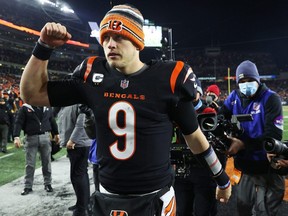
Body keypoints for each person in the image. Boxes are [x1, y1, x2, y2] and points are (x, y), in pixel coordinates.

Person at [19, 4, 231, 215]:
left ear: (138, 42)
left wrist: (221, 179)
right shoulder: (93, 76)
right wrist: (43, 47)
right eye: (106, 38)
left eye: (119, 37)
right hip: (107, 195)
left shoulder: (168, 79)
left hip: (155, 198)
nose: (110, 44)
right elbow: (32, 93)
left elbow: (195, 139)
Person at [219, 60, 285, 216]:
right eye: (242, 81)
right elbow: (221, 117)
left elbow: (273, 137)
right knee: (244, 209)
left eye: (250, 80)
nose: (246, 84)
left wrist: (242, 144)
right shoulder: (234, 97)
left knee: (264, 211)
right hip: (245, 168)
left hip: (266, 167)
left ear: (258, 80)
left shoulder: (271, 99)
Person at [173, 80, 226, 216]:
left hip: (204, 169)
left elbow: (217, 142)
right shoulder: (176, 110)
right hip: (182, 170)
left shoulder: (209, 112)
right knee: (181, 211)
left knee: (204, 211)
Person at [13, 103, 59, 195]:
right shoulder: (25, 108)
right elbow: (18, 122)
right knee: (30, 164)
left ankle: (48, 184)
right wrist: (16, 136)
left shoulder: (46, 106)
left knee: (46, 162)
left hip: (45, 136)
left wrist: (56, 133)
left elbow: (51, 120)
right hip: (30, 137)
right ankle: (28, 186)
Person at [57, 104, 92, 216]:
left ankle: (82, 208)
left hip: (79, 144)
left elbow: (81, 123)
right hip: (78, 143)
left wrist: (72, 140)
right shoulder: (71, 102)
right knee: (80, 174)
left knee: (77, 176)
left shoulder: (79, 102)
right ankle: (82, 203)